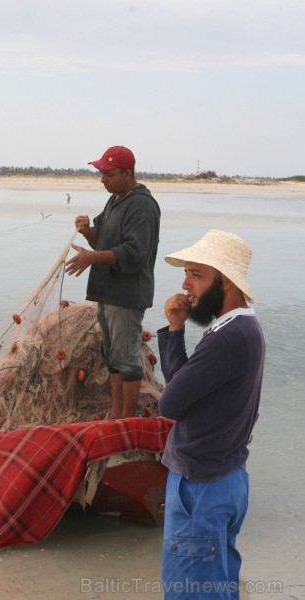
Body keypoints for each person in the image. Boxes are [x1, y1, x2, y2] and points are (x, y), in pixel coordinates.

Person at [157, 230, 265, 600]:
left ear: (228, 282)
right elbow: (185, 393)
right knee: (217, 586)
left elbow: (169, 404)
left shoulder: (226, 338)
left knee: (190, 590)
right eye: (186, 274)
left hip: (201, 484)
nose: (186, 285)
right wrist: (175, 330)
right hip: (227, 476)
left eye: (197, 275)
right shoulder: (244, 329)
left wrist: (174, 332)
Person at [65, 146, 161, 418]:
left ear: (127, 173)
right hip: (108, 293)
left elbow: (134, 252)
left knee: (127, 359)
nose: (102, 179)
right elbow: (102, 240)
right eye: (101, 174)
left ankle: (126, 421)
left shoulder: (141, 205)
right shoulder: (116, 200)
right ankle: (116, 415)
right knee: (112, 357)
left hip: (127, 295)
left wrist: (91, 258)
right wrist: (87, 232)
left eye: (108, 174)